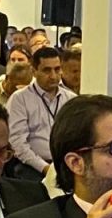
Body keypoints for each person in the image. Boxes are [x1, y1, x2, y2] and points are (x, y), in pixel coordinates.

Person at [5, 45, 74, 182]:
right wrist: (45, 168)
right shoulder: (20, 99)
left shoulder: (70, 99)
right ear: (34, 71)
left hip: (64, 164)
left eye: (57, 69)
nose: (53, 76)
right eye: (47, 70)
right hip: (31, 166)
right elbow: (17, 143)